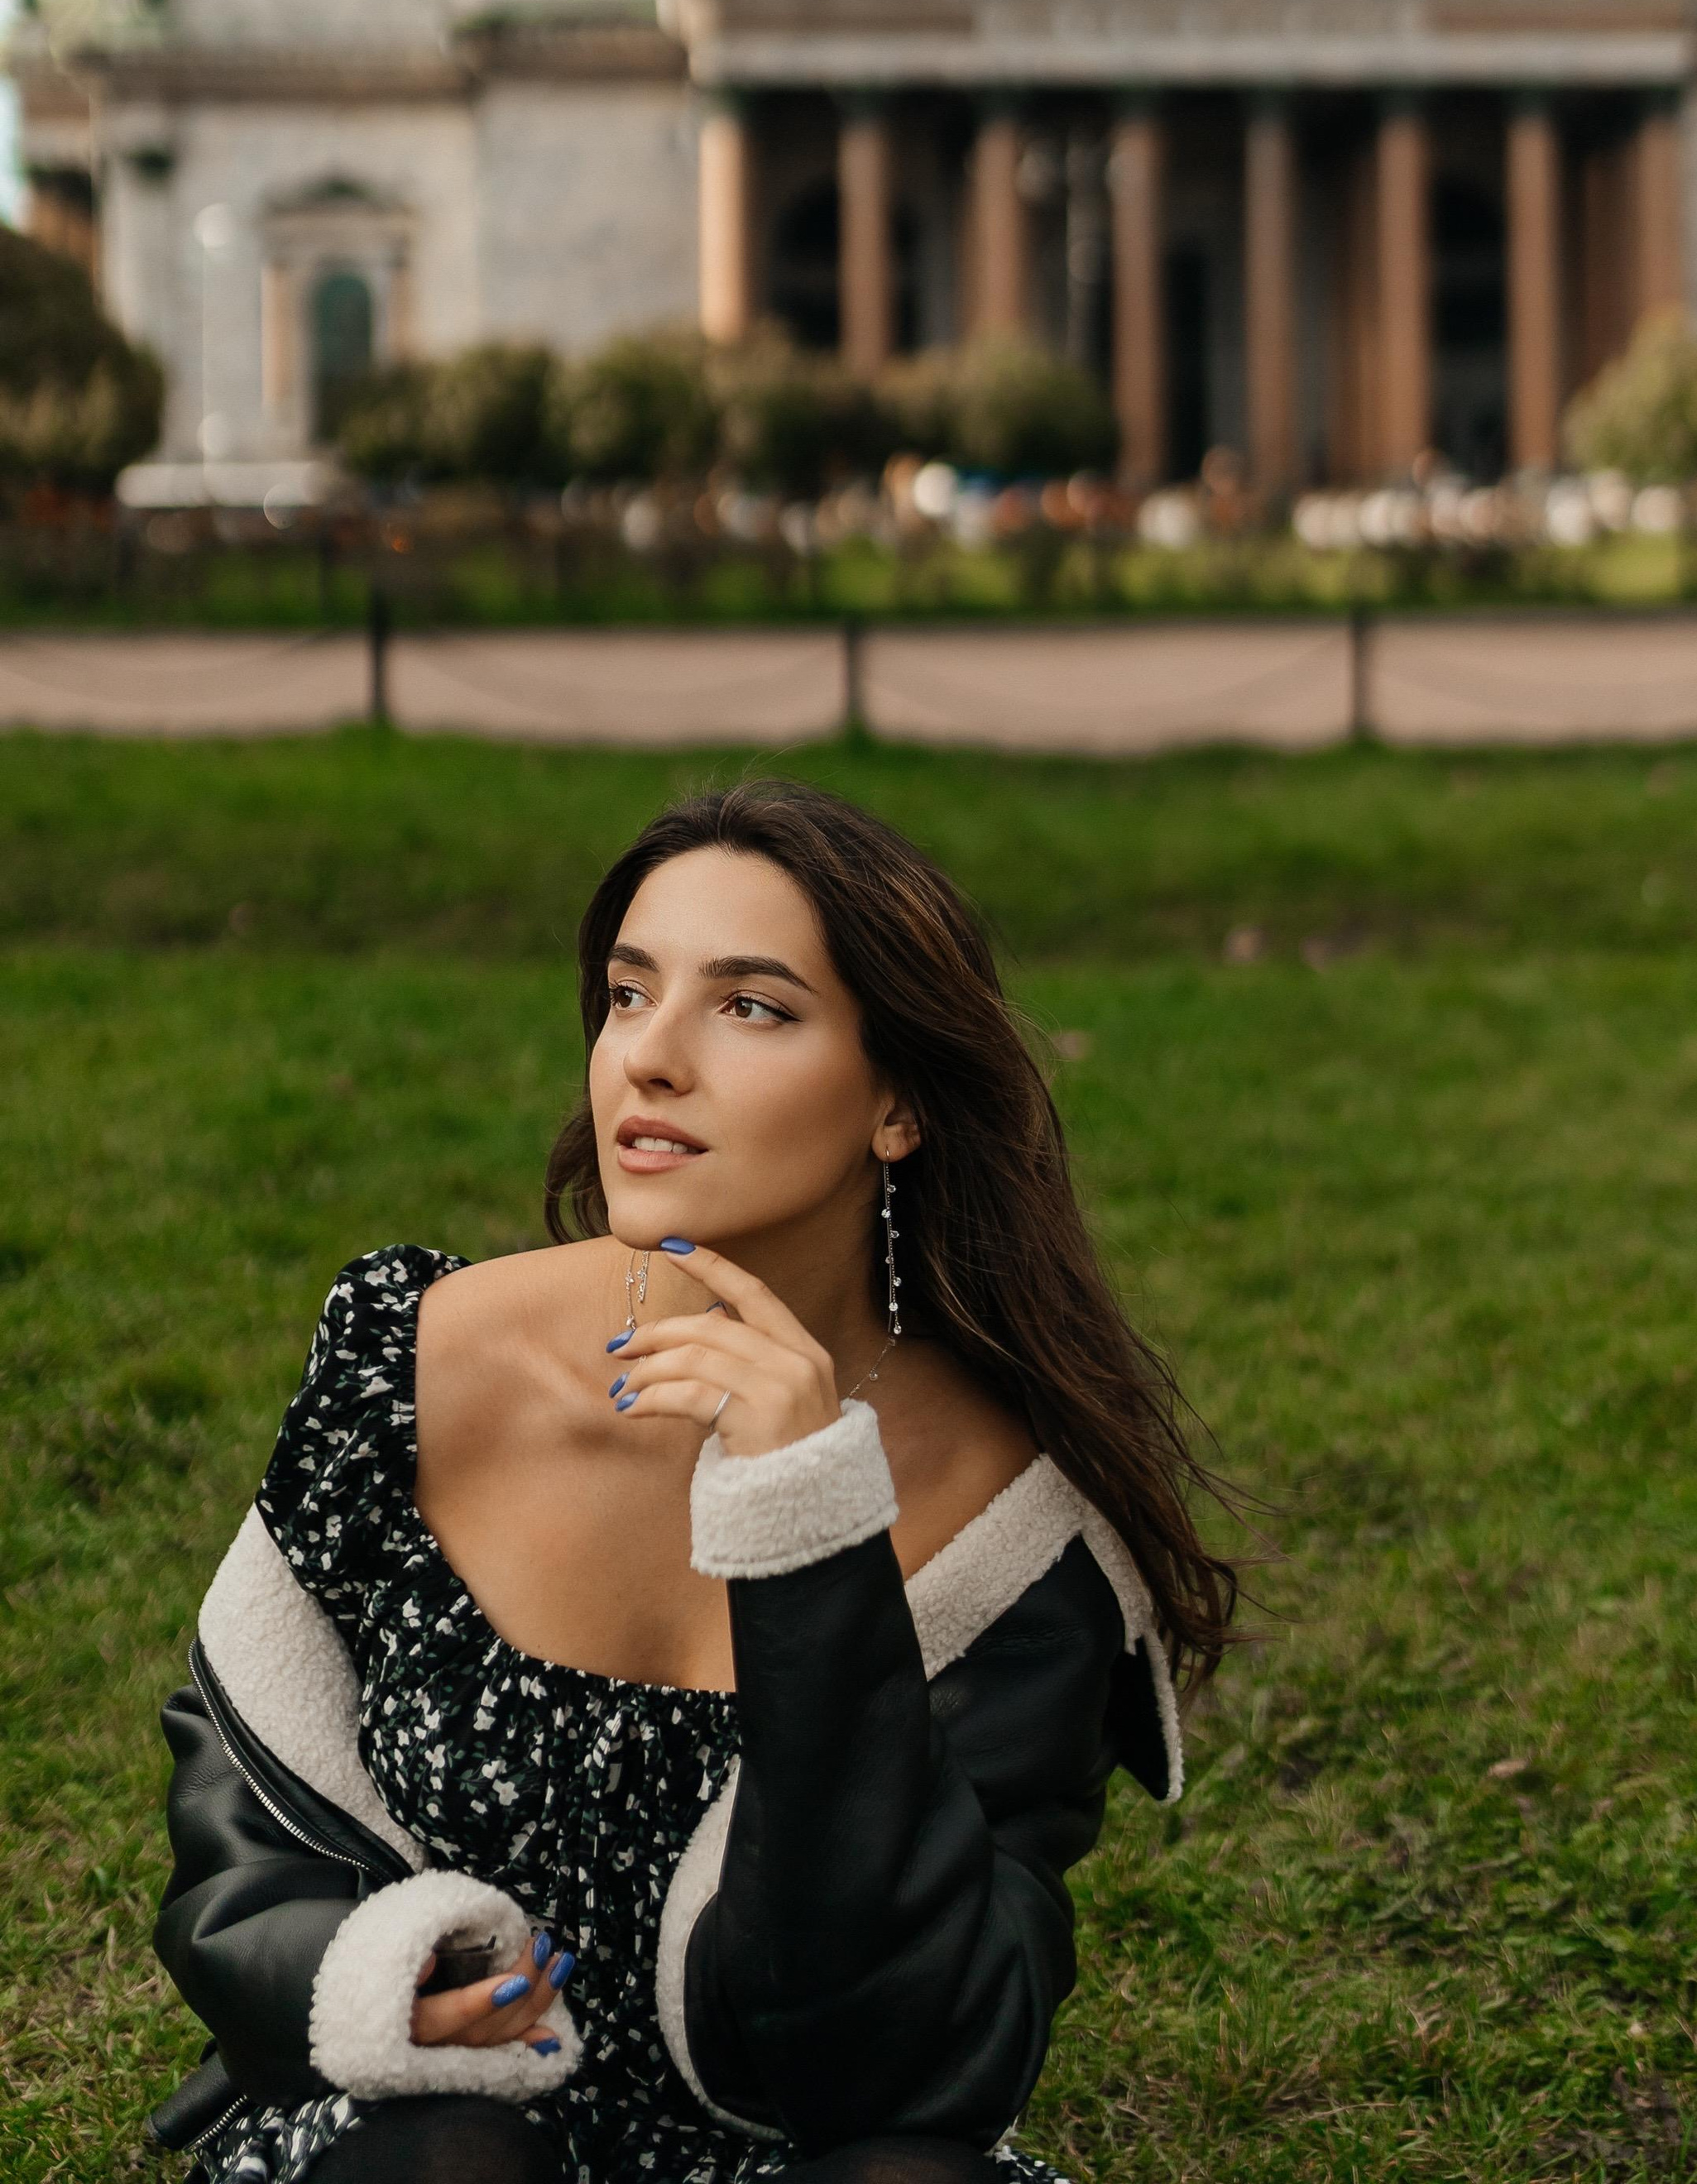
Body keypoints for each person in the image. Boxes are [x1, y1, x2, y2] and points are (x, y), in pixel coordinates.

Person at [148, 781, 1234, 2184]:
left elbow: (910, 2067)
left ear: (897, 1103)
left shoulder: (1016, 1536)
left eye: (752, 1007)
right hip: (413, 2126)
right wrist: (371, 1986)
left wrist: (810, 1530)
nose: (648, 1059)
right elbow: (240, 1837)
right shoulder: (422, 1359)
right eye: (627, 992)